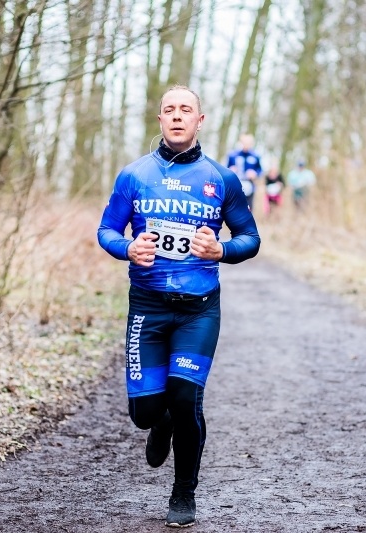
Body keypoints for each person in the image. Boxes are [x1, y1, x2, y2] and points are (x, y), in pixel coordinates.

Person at [97, 85, 260, 528]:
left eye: (185, 109)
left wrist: (220, 250)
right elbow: (106, 230)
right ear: (160, 120)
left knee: (187, 395)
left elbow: (251, 239)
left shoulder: (221, 179)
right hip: (148, 307)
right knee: (144, 413)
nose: (176, 116)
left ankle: (183, 493)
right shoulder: (134, 175)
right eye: (169, 110)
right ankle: (161, 417)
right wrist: (128, 248)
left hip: (198, 309)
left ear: (199, 120)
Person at [226, 133, 263, 211]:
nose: (246, 145)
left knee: (248, 210)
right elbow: (225, 169)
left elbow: (260, 171)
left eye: (248, 143)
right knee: (233, 209)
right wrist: (230, 170)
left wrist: (255, 173)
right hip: (235, 186)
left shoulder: (255, 156)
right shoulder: (232, 155)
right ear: (240, 142)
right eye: (244, 142)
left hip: (250, 186)